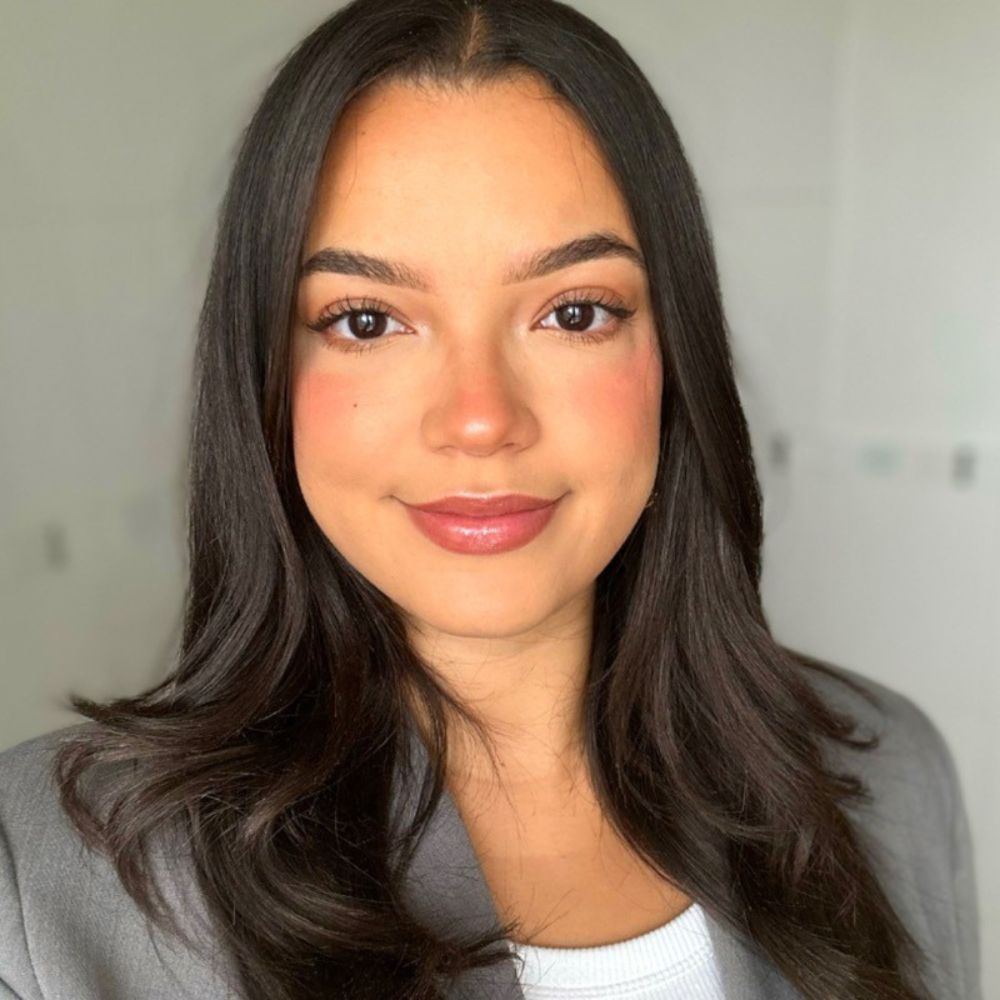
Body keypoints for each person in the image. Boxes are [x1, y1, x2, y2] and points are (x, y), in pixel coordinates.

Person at [0, 1, 982, 998]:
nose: (478, 418)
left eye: (573, 311)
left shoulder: (888, 777)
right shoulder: (42, 875)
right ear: (264, 374)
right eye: (368, 320)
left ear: (671, 356)